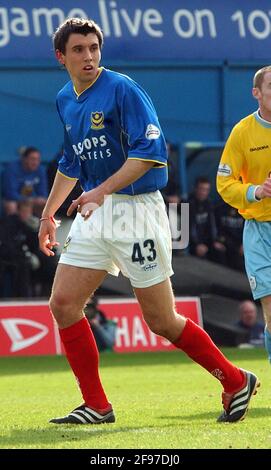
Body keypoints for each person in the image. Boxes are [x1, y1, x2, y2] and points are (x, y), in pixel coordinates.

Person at [39, 18, 259, 426]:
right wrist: (48, 213)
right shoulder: (64, 99)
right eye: (78, 50)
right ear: (61, 57)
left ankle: (234, 379)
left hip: (136, 212)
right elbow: (71, 161)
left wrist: (102, 189)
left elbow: (151, 154)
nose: (88, 56)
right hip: (95, 210)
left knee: (160, 320)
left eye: (93, 48)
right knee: (64, 303)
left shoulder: (123, 89)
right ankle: (97, 405)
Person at [217, 65, 271, 364]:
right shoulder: (242, 132)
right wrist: (256, 192)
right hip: (260, 232)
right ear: (256, 93)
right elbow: (224, 184)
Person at [2, 146, 48, 216]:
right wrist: (26, 200)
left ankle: (41, 226)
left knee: (45, 203)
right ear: (24, 159)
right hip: (14, 200)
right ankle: (13, 226)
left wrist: (36, 200)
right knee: (11, 205)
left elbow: (43, 193)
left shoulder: (40, 170)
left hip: (31, 200)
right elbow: (10, 194)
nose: (35, 162)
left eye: (38, 159)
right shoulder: (12, 170)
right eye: (32, 159)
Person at [189, 177, 225, 262]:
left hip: (207, 242)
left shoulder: (209, 204)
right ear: (196, 189)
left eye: (206, 190)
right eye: (201, 189)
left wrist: (214, 241)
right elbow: (188, 229)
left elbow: (212, 226)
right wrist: (197, 245)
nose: (203, 192)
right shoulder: (187, 203)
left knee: (220, 251)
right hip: (192, 244)